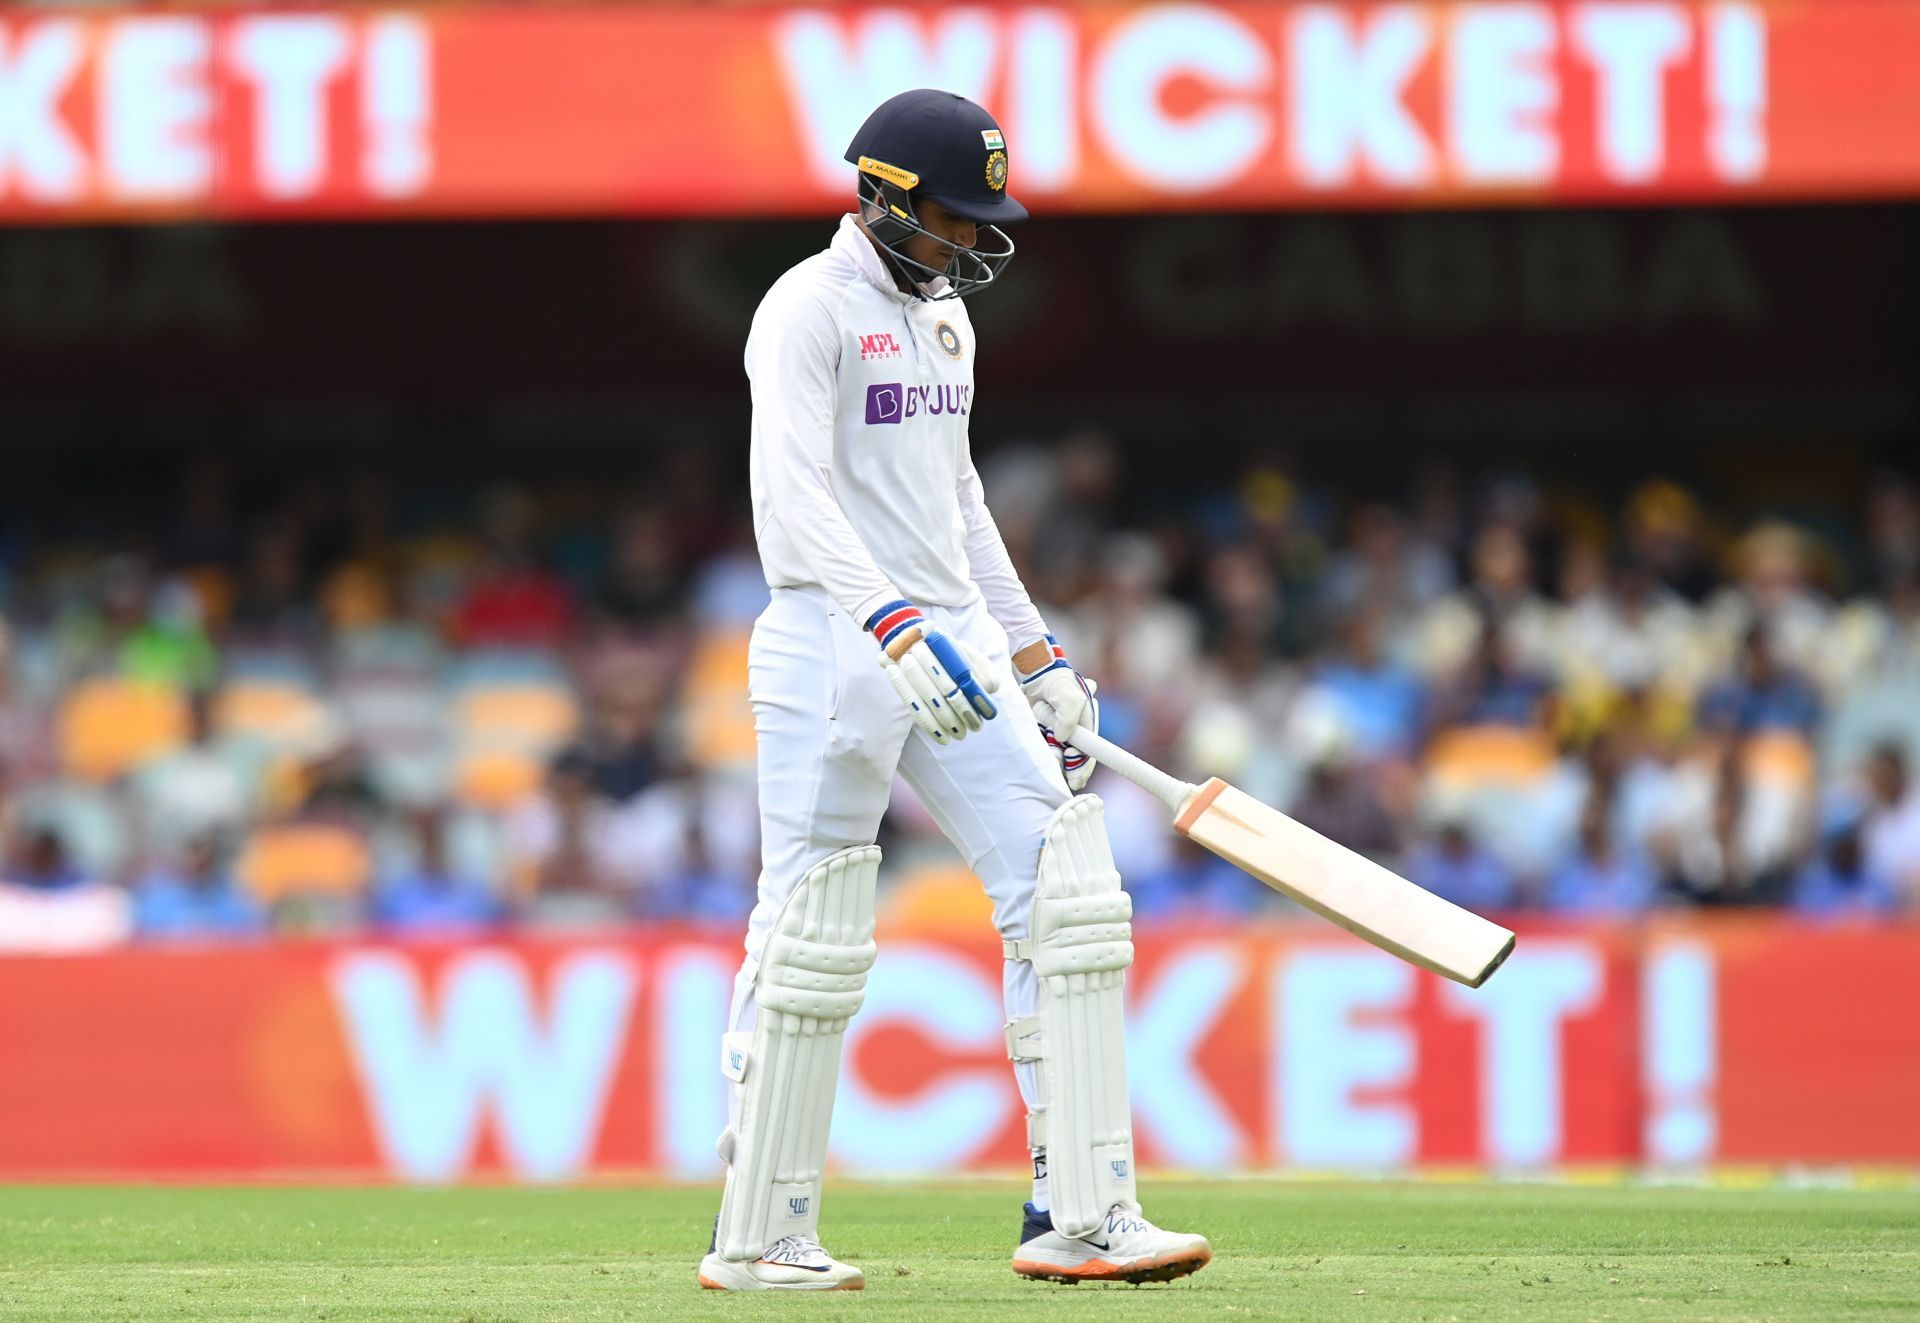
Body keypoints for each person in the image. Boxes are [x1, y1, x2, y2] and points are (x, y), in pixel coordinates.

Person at [697, 90, 1209, 1293]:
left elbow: (960, 504)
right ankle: (762, 1235)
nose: (973, 242)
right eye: (953, 217)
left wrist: (1034, 654)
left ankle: (1079, 1210)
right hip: (837, 636)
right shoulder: (804, 309)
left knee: (1068, 888)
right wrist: (883, 621)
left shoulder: (943, 326)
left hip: (957, 634)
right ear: (882, 195)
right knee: (814, 920)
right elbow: (791, 493)